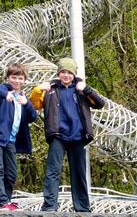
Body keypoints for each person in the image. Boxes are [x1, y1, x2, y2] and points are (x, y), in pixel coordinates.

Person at [29, 57, 105, 212]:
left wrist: (86, 89)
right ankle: (49, 206)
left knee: (79, 174)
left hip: (78, 136)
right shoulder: (50, 88)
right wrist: (38, 90)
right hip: (57, 135)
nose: (66, 75)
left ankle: (82, 208)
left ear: (74, 74)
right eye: (62, 72)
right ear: (58, 73)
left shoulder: (81, 88)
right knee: (52, 172)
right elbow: (33, 105)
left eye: (69, 72)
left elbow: (100, 104)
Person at [0, 62, 37, 211]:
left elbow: (33, 117)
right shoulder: (2, 89)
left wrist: (27, 104)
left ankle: (7, 201)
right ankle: (3, 203)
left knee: (12, 173)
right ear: (8, 77)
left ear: (24, 80)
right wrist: (4, 94)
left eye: (20, 78)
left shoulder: (22, 97)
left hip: (10, 140)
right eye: (14, 77)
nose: (17, 81)